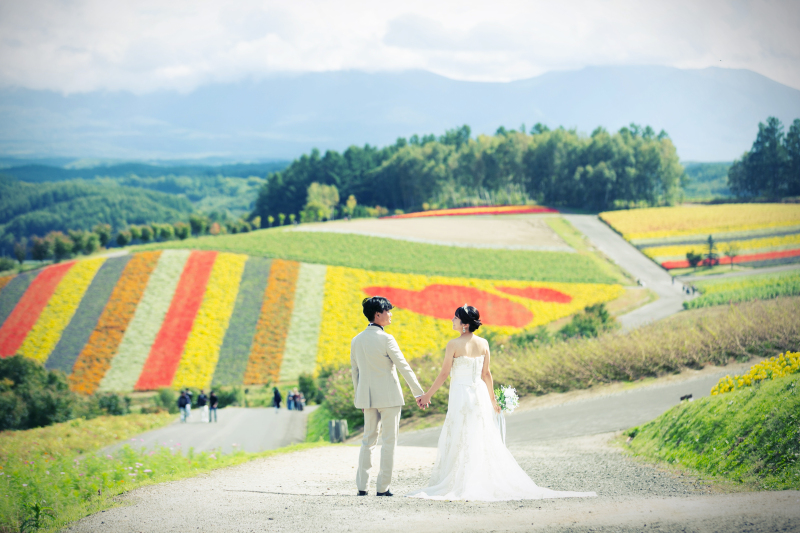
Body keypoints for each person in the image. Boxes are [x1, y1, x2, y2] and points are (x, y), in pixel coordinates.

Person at [406, 304, 597, 502]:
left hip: (461, 394)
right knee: (478, 435)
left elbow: (445, 373)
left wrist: (427, 395)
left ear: (464, 324)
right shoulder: (484, 343)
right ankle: (478, 479)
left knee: (460, 434)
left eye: (455, 318)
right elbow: (486, 374)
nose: (452, 320)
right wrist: (492, 400)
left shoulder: (453, 345)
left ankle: (461, 481)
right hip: (478, 394)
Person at [351, 296, 426, 497]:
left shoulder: (356, 340)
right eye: (388, 311)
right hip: (390, 398)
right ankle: (382, 488)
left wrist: (360, 400)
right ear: (378, 314)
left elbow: (355, 372)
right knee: (389, 441)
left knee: (368, 440)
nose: (390, 314)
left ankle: (362, 486)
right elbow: (403, 367)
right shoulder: (386, 339)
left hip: (367, 399)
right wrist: (419, 392)